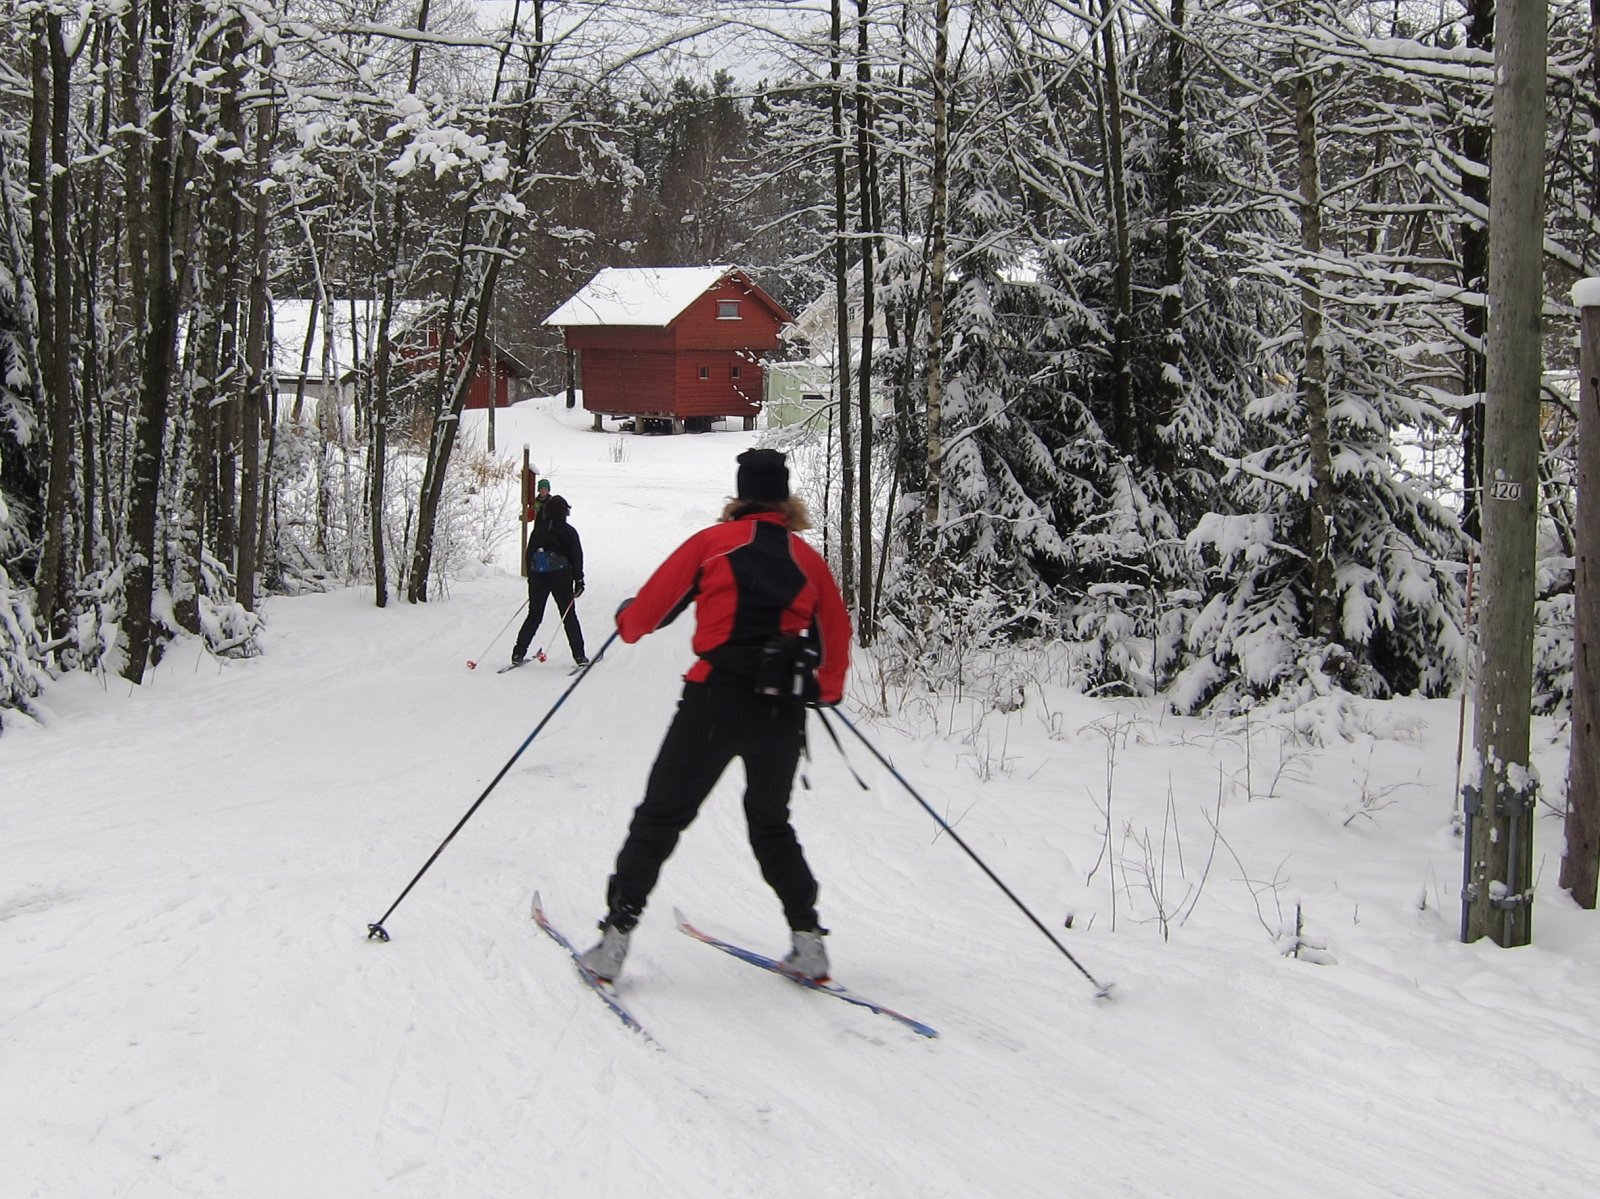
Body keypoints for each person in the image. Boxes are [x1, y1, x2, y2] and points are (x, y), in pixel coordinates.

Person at [578, 448, 851, 984]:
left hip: (715, 701)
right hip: (782, 706)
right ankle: (808, 942)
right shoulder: (807, 559)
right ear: (785, 500)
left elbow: (646, 615)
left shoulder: (711, 545)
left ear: (739, 495)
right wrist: (826, 689)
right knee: (771, 824)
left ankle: (614, 941)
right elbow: (836, 635)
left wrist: (626, 618)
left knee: (661, 816)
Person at [511, 494, 587, 667]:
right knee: (568, 616)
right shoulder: (569, 532)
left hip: (539, 578)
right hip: (561, 578)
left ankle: (518, 652)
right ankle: (579, 656)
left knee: (534, 616)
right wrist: (579, 580)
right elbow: (576, 557)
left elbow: (529, 554)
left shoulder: (538, 530)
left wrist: (532, 577)